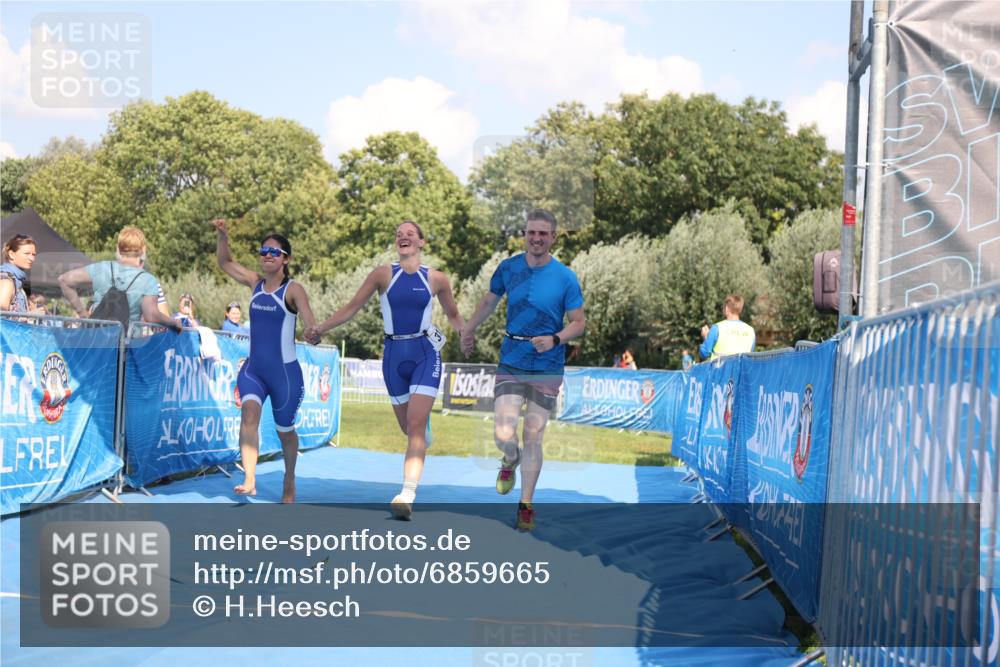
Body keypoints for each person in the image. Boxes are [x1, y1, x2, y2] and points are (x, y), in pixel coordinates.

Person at [304, 220, 464, 520]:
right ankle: (422, 430)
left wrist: (465, 334)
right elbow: (351, 308)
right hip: (393, 356)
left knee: (415, 426)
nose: (404, 237)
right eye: (399, 234)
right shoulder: (382, 274)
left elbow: (453, 313)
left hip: (425, 354)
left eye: (410, 234)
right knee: (409, 428)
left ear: (421, 242)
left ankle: (407, 494)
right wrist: (320, 328)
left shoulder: (437, 279)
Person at [461, 208, 585, 531]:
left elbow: (579, 323)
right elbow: (489, 302)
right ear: (525, 235)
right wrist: (468, 328)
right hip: (512, 358)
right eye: (532, 232)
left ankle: (526, 504)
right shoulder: (509, 268)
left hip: (547, 364)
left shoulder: (565, 277)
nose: (537, 238)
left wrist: (556, 338)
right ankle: (509, 458)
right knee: (503, 433)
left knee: (533, 434)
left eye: (543, 233)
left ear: (553, 237)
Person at [212, 218, 318, 504]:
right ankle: (249, 478)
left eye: (274, 252)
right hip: (254, 370)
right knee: (248, 417)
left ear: (286, 259)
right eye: (263, 251)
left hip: (285, 374)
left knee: (285, 432)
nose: (267, 256)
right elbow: (225, 262)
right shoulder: (254, 284)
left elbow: (309, 319)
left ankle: (289, 478)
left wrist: (312, 331)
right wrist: (223, 235)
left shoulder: (293, 289)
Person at [58, 226, 182, 331]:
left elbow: (64, 280)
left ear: (118, 248)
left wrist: (83, 314)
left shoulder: (101, 268)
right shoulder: (148, 280)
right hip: (126, 347)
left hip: (96, 342)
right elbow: (152, 315)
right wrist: (172, 322)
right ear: (143, 250)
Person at [699, 294, 756, 360]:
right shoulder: (750, 331)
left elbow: (704, 354)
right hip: (741, 370)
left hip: (720, 370)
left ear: (727, 308)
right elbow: (750, 355)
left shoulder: (717, 328)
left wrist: (706, 337)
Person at [0, 233, 37, 312]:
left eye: (33, 254)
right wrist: (32, 316)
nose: (31, 258)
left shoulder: (16, 281)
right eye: (26, 254)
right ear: (11, 254)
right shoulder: (6, 281)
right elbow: (2, 319)